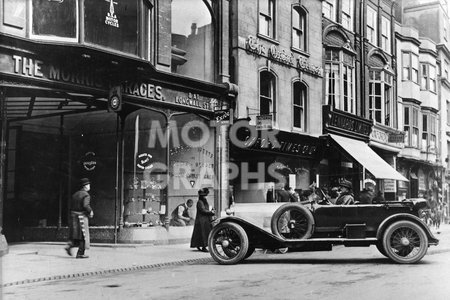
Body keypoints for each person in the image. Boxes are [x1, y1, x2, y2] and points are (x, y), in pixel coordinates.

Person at [65, 178, 93, 259]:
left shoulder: (75, 194)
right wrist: (90, 211)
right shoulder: (86, 195)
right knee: (83, 235)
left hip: (73, 217)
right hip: (81, 217)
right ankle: (80, 253)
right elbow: (85, 205)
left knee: (76, 234)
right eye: (88, 184)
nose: (89, 186)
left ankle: (69, 246)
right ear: (85, 186)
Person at [190, 188, 215, 252]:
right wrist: (210, 212)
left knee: (203, 233)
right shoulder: (200, 202)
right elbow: (203, 210)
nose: (205, 197)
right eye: (204, 195)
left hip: (204, 219)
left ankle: (201, 245)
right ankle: (203, 246)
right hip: (202, 220)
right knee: (203, 233)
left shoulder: (202, 201)